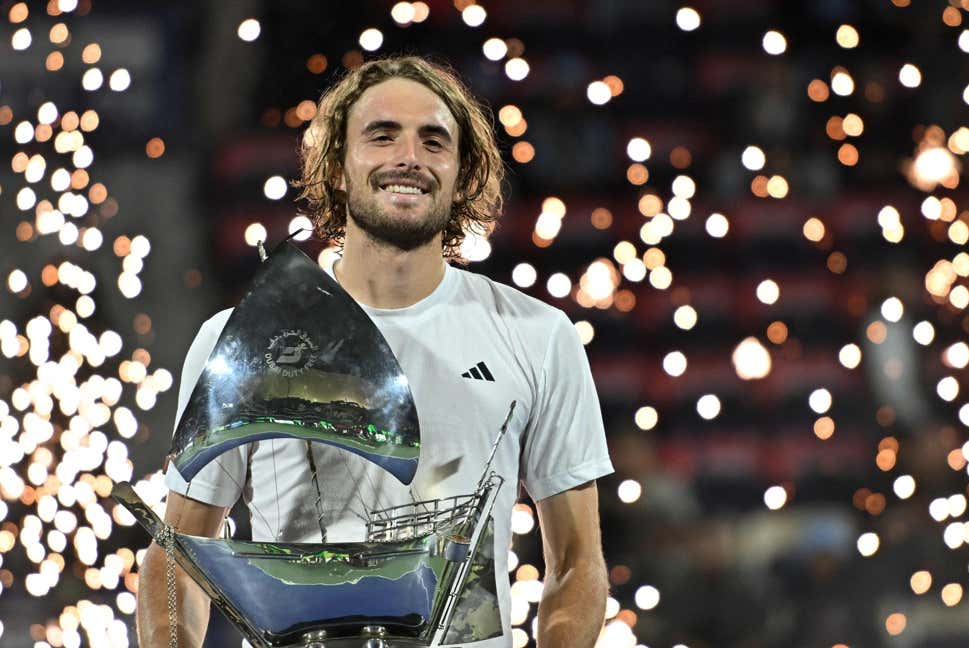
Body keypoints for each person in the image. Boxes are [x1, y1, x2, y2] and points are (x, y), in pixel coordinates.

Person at [136, 55, 613, 648]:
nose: (408, 157)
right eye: (381, 135)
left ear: (464, 173)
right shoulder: (241, 337)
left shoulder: (540, 336)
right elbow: (177, 553)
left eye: (433, 140)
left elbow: (576, 561)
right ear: (336, 167)